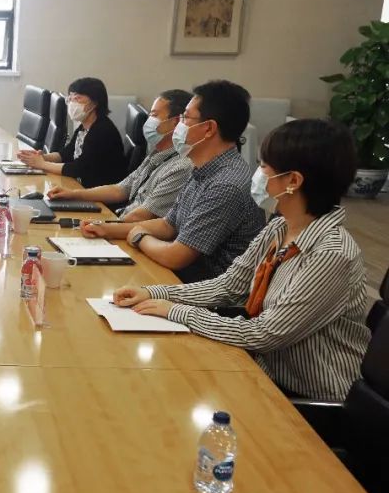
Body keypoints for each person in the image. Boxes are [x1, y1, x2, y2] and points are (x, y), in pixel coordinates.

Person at [114, 119, 368, 401]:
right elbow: (229, 286)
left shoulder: (331, 254)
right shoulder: (280, 227)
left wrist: (176, 311)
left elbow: (265, 334)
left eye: (264, 167)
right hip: (263, 371)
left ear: (293, 181)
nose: (257, 175)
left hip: (308, 397)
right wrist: (154, 293)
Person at [83, 80, 265, 283]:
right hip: (181, 275)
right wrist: (105, 228)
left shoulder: (225, 184)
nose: (179, 125)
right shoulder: (203, 167)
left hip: (202, 289)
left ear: (208, 128)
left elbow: (176, 256)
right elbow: (168, 225)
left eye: (186, 118)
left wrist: (139, 236)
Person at [46, 89, 194, 222]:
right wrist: (73, 194)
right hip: (120, 221)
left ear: (176, 122)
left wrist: (103, 227)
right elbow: (120, 189)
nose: (149, 121)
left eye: (154, 115)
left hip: (127, 228)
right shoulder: (156, 154)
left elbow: (141, 217)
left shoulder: (180, 167)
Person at [17, 77, 126, 188]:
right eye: (70, 98)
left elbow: (78, 168)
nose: (72, 103)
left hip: (97, 193)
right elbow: (66, 154)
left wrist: (42, 164)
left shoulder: (102, 131)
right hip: (82, 186)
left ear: (94, 103)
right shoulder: (84, 127)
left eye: (77, 98)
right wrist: (42, 157)